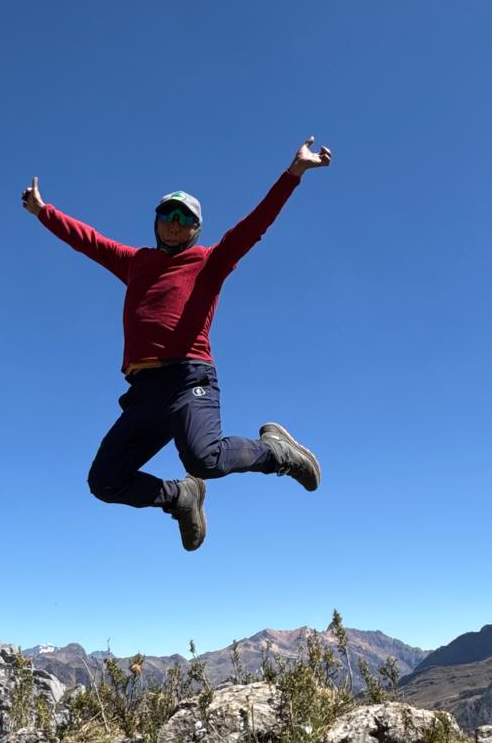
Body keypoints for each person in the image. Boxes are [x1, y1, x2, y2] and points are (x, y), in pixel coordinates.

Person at [21, 137, 332, 550]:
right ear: (156, 222)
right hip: (144, 393)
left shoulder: (209, 261)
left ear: (195, 229)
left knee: (204, 460)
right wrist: (45, 213)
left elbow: (254, 226)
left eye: (183, 218)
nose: (173, 221)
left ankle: (277, 452)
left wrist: (293, 173)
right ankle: (181, 497)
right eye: (166, 213)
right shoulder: (135, 263)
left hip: (189, 378)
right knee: (105, 481)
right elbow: (89, 241)